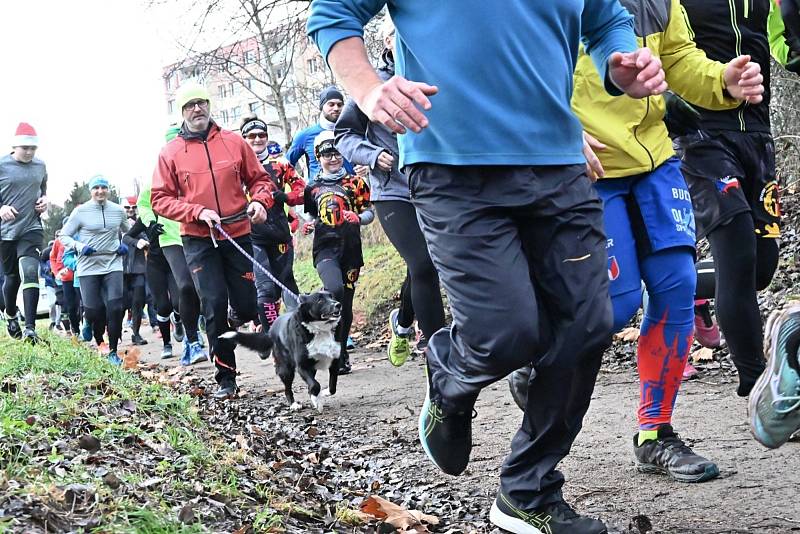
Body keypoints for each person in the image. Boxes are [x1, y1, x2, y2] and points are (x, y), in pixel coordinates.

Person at [309, 2, 670, 532]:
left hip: (558, 160)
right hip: (452, 165)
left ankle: (528, 492)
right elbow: (334, 12)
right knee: (507, 333)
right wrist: (367, 88)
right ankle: (450, 375)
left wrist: (619, 60)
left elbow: (604, 16)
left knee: (587, 323)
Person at [509, 0, 764, 483]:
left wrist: (722, 82)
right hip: (587, 162)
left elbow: (679, 61)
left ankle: (655, 434)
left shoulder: (658, 2)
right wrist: (557, 130)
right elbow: (520, 70)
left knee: (677, 286)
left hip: (655, 158)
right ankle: (540, 360)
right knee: (616, 303)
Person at [152, 81, 275, 399]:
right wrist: (195, 211)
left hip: (238, 233)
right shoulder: (171, 153)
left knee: (247, 305)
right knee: (214, 303)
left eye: (201, 102)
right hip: (198, 239)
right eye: (190, 104)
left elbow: (260, 179)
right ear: (181, 111)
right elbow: (160, 199)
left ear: (209, 106)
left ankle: (235, 317)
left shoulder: (234, 142)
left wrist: (260, 202)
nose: (197, 109)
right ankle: (226, 377)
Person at [335, 16, 444, 366]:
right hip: (392, 192)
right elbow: (344, 136)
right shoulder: (374, 85)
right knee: (424, 264)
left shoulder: (436, 75)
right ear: (386, 44)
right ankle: (440, 354)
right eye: (398, 35)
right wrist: (372, 154)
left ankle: (402, 320)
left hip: (436, 187)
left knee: (428, 266)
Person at [303, 131, 373, 375]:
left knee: (346, 302)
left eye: (336, 152)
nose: (332, 158)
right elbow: (310, 214)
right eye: (326, 153)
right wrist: (308, 224)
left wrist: (358, 218)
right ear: (317, 156)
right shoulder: (312, 187)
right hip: (325, 247)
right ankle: (324, 337)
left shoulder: (356, 183)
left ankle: (340, 352)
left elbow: (369, 213)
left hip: (351, 250)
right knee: (334, 289)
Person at [239, 116, 304, 329]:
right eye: (252, 136)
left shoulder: (280, 165)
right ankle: (272, 337)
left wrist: (286, 198)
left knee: (286, 283)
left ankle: (296, 333)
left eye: (262, 135)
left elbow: (302, 190)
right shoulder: (236, 166)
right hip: (251, 236)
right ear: (244, 139)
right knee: (266, 288)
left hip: (279, 233)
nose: (258, 139)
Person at [60, 176, 130, 364]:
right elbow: (63, 236)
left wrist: (124, 243)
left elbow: (128, 231)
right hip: (88, 266)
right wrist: (79, 247)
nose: (100, 191)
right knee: (94, 310)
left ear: (108, 190)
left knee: (116, 308)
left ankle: (113, 352)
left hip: (112, 263)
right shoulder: (80, 212)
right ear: (91, 191)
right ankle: (89, 321)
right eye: (96, 188)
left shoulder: (117, 210)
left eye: (104, 187)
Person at [0, 122, 49, 342]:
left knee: (30, 272)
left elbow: (43, 189)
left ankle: (30, 328)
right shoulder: (2, 165)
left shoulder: (40, 166)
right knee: (12, 279)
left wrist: (44, 201)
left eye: (33, 148)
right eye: (24, 148)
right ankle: (10, 313)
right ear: (14, 146)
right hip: (6, 231)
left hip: (32, 227)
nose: (29, 152)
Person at [286, 86, 354, 181]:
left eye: (339, 105)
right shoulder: (305, 136)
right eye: (331, 104)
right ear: (322, 106)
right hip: (318, 192)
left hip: (351, 190)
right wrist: (297, 188)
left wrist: (366, 167)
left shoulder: (352, 132)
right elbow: (286, 166)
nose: (336, 108)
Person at [120, 196, 150, 346]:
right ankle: (114, 331)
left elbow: (147, 238)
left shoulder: (141, 222)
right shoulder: (115, 223)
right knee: (119, 303)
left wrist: (139, 236)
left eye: (133, 207)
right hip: (118, 270)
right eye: (127, 207)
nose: (130, 210)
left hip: (138, 268)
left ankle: (136, 333)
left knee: (138, 302)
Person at [51, 224, 81, 338]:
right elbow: (53, 258)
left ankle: (86, 327)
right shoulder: (59, 241)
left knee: (83, 304)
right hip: (66, 278)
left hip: (79, 276)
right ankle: (76, 331)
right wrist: (56, 272)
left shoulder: (80, 237)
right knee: (71, 306)